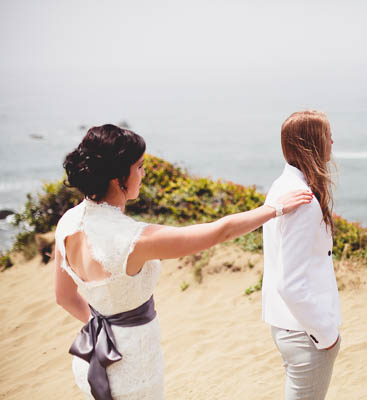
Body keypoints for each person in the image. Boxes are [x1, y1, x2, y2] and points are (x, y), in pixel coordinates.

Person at [54, 124, 313, 400]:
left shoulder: (67, 222)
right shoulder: (133, 240)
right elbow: (220, 231)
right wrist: (274, 209)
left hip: (92, 355)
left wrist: (103, 327)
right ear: (119, 178)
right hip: (131, 366)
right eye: (139, 166)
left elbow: (64, 297)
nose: (143, 174)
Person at [262, 110, 342, 400]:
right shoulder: (303, 200)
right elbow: (290, 283)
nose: (332, 141)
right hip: (305, 332)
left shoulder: (282, 187)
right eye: (326, 135)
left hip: (287, 325)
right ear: (311, 144)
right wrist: (326, 335)